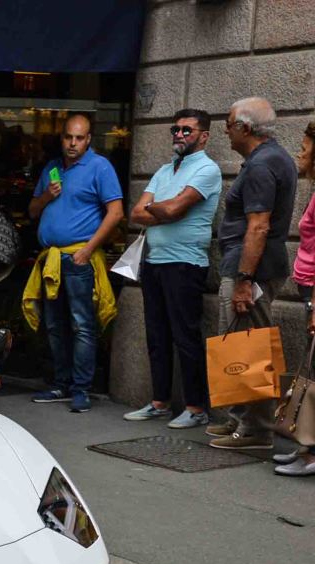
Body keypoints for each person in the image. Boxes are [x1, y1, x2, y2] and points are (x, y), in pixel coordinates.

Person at [207, 97, 298, 450]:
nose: (226, 132)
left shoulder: (263, 165)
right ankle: (240, 420)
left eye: (228, 124)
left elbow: (258, 227)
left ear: (245, 128)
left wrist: (244, 280)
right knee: (238, 344)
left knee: (249, 346)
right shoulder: (266, 159)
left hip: (253, 270)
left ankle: (255, 429)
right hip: (251, 267)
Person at [124, 108, 222, 429]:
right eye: (175, 130)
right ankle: (159, 402)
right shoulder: (164, 171)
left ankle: (195, 408)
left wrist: (162, 208)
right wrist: (160, 210)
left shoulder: (207, 170)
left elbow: (178, 208)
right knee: (157, 335)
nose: (179, 135)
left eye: (187, 130)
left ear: (203, 136)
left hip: (185, 264)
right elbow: (137, 212)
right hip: (154, 261)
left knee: (185, 337)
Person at [26, 113, 124, 413]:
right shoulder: (52, 168)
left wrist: (88, 250)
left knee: (82, 325)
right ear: (62, 137)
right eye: (68, 136)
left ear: (89, 139)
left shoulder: (100, 167)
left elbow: (116, 213)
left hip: (79, 257)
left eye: (79, 138)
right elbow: (32, 211)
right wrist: (46, 196)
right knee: (54, 324)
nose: (73, 143)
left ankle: (82, 388)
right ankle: (61, 383)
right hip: (51, 260)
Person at [273, 121, 315, 475]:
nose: (299, 153)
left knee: (314, 372)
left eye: (304, 147)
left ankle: (310, 452)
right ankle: (306, 447)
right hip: (308, 288)